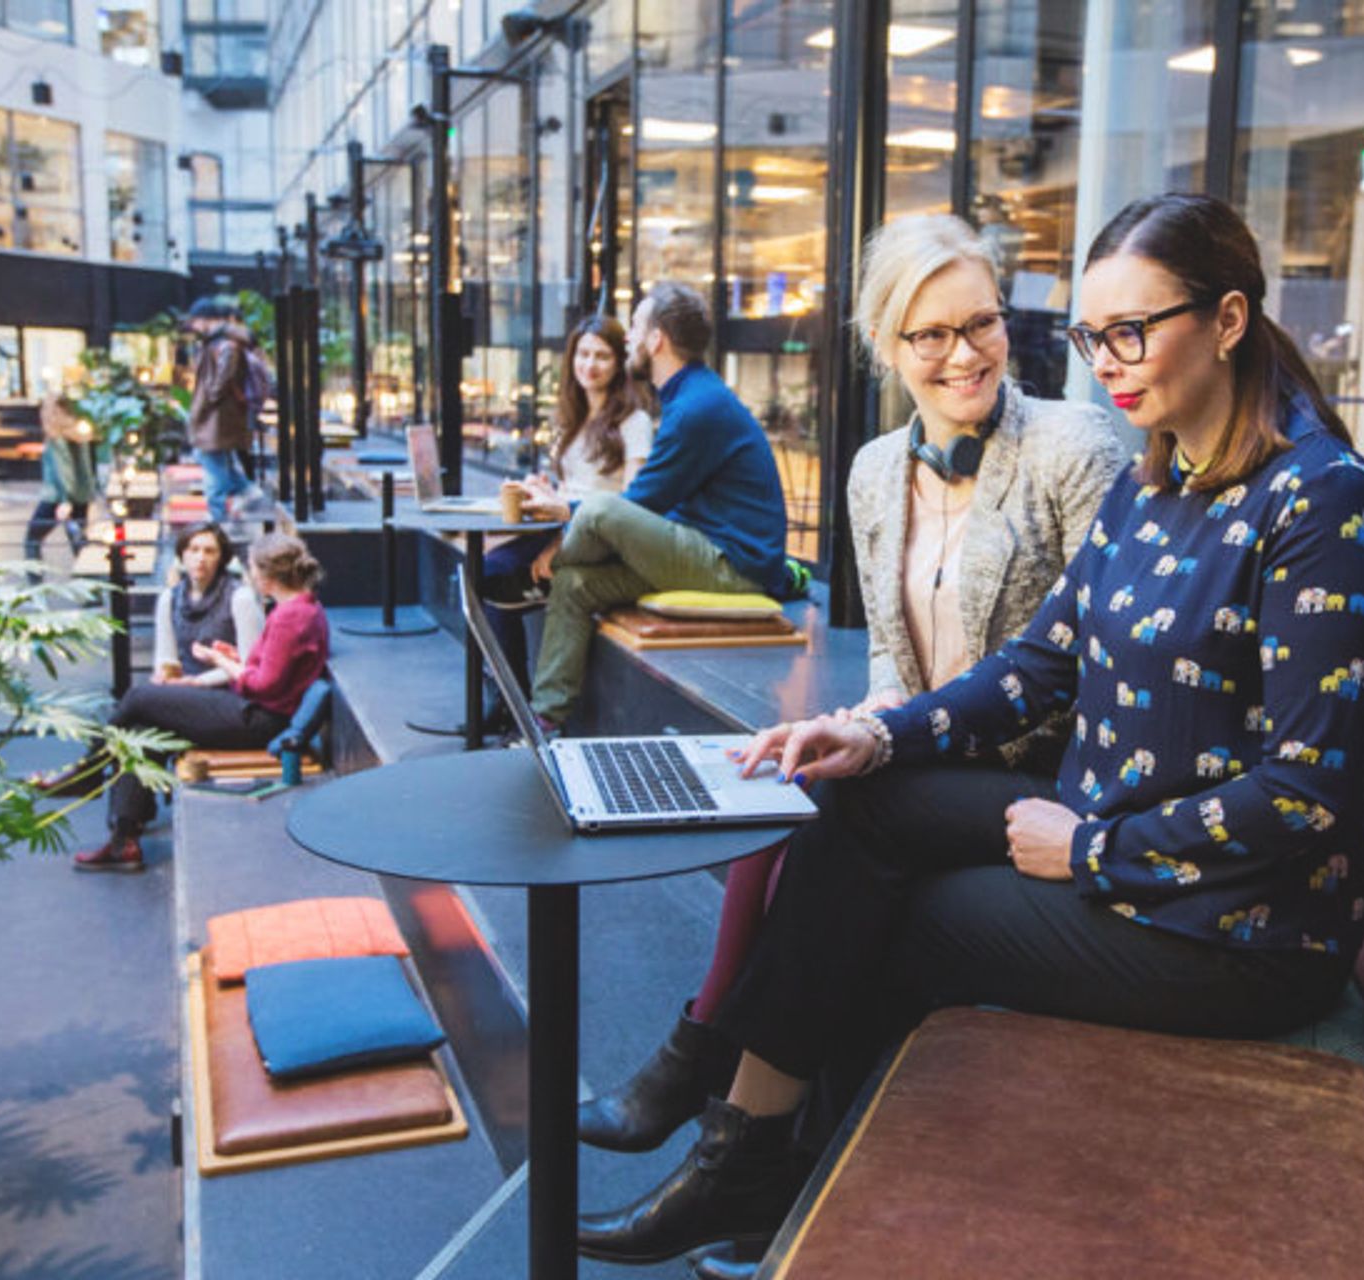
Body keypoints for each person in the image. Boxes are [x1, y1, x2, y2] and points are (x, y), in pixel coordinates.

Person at [574, 193, 1364, 1267]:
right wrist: (880, 736)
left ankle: (803, 1187)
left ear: (1231, 320)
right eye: (1091, 333)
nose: (1107, 360)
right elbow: (1036, 664)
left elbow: (1309, 789)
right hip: (1109, 826)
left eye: (1132, 330)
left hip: (1232, 925)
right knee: (854, 799)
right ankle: (752, 1150)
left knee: (906, 917)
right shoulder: (1160, 476)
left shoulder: (1323, 502)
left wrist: (1093, 849)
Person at [576, 213, 1126, 1157]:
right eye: (932, 334)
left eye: (982, 324)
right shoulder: (874, 473)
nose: (966, 355)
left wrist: (891, 736)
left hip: (1039, 774)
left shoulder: (1074, 447)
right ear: (886, 346)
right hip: (916, 755)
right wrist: (869, 714)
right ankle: (749, 1137)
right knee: (786, 778)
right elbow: (889, 659)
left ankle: (713, 1082)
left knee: (840, 820)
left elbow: (1094, 674)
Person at [526, 283, 795, 731]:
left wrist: (562, 530)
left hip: (734, 565)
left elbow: (638, 504)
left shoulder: (697, 407)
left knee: (598, 512)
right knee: (573, 585)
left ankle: (536, 569)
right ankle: (546, 720)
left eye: (634, 327)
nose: (628, 337)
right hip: (697, 550)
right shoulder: (688, 397)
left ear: (656, 340)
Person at [54, 533, 329, 873]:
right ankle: (124, 838)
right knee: (143, 728)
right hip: (257, 710)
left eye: (254, 570)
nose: (252, 576)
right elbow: (265, 670)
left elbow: (262, 685)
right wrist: (225, 655)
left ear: (269, 575)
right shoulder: (297, 608)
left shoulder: (290, 616)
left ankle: (89, 769)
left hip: (260, 719)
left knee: (139, 697)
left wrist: (222, 664)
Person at [477, 315, 655, 689]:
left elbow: (632, 502)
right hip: (557, 523)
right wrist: (541, 489)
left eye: (602, 356)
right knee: (474, 575)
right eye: (583, 354)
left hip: (595, 536)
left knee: (492, 577)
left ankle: (512, 700)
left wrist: (560, 546)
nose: (589, 365)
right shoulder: (571, 416)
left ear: (619, 361)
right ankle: (506, 696)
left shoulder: (634, 420)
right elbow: (571, 486)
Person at [151, 523, 265, 688]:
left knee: (137, 699)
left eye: (209, 551)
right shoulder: (169, 598)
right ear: (182, 554)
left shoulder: (240, 597)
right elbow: (165, 657)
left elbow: (250, 664)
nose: (201, 558)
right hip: (184, 688)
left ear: (221, 558)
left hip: (228, 690)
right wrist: (165, 676)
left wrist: (200, 682)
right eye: (193, 550)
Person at [187, 297, 259, 524]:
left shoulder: (225, 344)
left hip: (218, 414)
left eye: (196, 321)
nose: (194, 327)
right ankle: (247, 490)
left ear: (205, 320)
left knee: (212, 463)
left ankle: (217, 513)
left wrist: (210, 398)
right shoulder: (218, 341)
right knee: (212, 459)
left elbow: (224, 377)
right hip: (217, 413)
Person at [23, 393, 96, 563]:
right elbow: (86, 468)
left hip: (57, 497)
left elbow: (63, 469)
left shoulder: (56, 437)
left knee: (32, 539)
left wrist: (65, 499)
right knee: (78, 542)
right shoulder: (79, 433)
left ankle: (36, 584)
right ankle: (91, 582)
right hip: (81, 497)